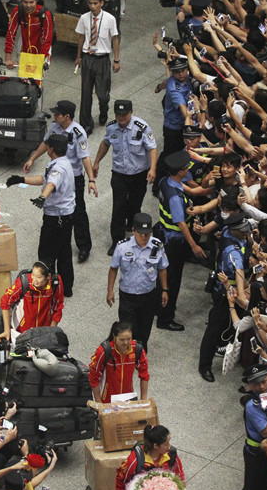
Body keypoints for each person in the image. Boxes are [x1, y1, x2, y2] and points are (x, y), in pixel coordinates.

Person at [24, 100, 96, 263]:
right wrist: (33, 158)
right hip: (56, 175)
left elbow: (85, 157)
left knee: (78, 211)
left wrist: (91, 179)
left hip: (73, 178)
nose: (54, 115)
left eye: (58, 114)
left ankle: (84, 246)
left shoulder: (78, 133)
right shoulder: (55, 127)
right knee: (57, 209)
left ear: (67, 116)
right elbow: (45, 143)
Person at [6, 134, 76, 296]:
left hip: (55, 218)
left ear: (51, 149)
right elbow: (45, 179)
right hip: (66, 216)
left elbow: (51, 183)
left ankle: (46, 287)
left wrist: (43, 197)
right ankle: (66, 288)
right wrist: (21, 179)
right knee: (64, 251)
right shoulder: (63, 163)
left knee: (46, 253)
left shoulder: (58, 168)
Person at [93, 100, 158, 255]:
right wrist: (96, 162)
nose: (121, 117)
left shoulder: (141, 127)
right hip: (119, 174)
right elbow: (105, 144)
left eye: (124, 114)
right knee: (118, 207)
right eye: (118, 114)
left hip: (139, 174)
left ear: (131, 112)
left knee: (135, 204)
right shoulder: (111, 127)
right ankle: (117, 240)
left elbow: (152, 148)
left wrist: (153, 169)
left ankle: (132, 226)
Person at [198, 213, 252, 383]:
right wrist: (242, 295)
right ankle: (204, 365)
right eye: (243, 233)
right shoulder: (232, 251)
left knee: (224, 323)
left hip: (230, 287)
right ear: (235, 231)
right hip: (226, 290)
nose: (246, 235)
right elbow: (239, 271)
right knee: (215, 328)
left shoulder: (229, 230)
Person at [156, 151, 206, 332]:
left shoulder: (166, 182)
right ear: (179, 172)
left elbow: (190, 190)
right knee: (172, 280)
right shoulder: (176, 198)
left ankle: (158, 307)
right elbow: (181, 224)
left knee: (162, 275)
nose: (188, 169)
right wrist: (194, 245)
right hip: (174, 242)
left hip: (163, 234)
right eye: (186, 168)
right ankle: (165, 317)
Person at [106, 213, 169, 352]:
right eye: (141, 233)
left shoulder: (157, 246)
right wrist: (110, 291)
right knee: (126, 328)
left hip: (148, 295)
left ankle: (140, 354)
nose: (144, 237)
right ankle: (125, 353)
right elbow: (113, 269)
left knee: (144, 327)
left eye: (147, 234)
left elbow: (162, 269)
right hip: (127, 295)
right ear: (133, 230)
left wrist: (164, 290)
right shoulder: (123, 247)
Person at [74, 0, 121, 134]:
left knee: (102, 94)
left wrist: (117, 60)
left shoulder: (109, 19)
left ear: (101, 3)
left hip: (102, 59)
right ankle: (86, 124)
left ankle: (103, 109)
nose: (92, 6)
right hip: (88, 58)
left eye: (95, 3)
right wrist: (79, 56)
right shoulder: (84, 18)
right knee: (86, 93)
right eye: (90, 3)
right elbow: (81, 37)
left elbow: (115, 39)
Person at [0, 261, 64, 344]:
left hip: (43, 330)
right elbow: (5, 302)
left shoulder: (55, 283)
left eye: (39, 277)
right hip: (21, 329)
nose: (34, 280)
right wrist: (7, 331)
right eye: (33, 275)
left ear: (48, 277)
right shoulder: (23, 283)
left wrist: (51, 330)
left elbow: (58, 306)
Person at [114, 424, 185, 490]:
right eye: (166, 444)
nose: (169, 446)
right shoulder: (135, 460)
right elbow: (121, 484)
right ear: (155, 446)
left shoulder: (171, 455)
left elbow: (180, 478)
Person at [88, 321, 150, 403]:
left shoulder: (137, 349)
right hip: (107, 399)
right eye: (122, 339)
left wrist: (143, 399)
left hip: (128, 398)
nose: (126, 343)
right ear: (114, 336)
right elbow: (93, 377)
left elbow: (144, 375)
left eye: (129, 339)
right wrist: (98, 403)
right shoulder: (104, 351)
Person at [4, 0, 54, 70]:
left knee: (36, 79)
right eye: (25, 2)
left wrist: (40, 60)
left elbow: (47, 39)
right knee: (22, 78)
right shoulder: (17, 11)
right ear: (21, 1)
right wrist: (8, 58)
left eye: (31, 2)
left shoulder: (45, 14)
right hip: (23, 48)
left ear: (36, 1)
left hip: (42, 50)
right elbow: (11, 33)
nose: (28, 5)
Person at [160, 57, 192, 162]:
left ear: (187, 69)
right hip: (174, 127)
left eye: (182, 70)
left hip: (183, 123)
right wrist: (190, 127)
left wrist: (158, 88)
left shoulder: (189, 79)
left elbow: (164, 83)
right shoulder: (174, 88)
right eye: (177, 72)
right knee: (170, 155)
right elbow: (183, 109)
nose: (180, 74)